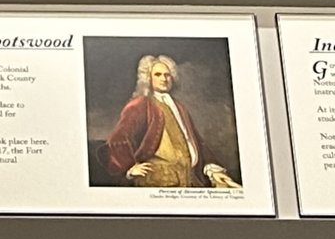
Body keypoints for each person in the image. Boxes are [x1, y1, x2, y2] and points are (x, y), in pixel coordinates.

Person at [103, 54, 242, 190]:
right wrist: (129, 166)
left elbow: (196, 142)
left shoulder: (178, 106)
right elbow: (118, 137)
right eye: (157, 75)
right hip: (156, 184)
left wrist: (212, 170)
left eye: (167, 75)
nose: (164, 79)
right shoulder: (140, 104)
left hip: (187, 181)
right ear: (147, 78)